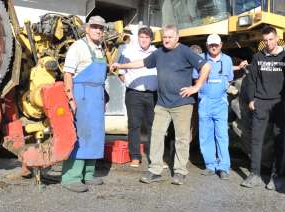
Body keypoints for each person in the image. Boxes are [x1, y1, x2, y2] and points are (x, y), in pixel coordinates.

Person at [112, 25, 211, 185]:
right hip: (163, 103)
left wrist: (196, 86)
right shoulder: (159, 53)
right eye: (164, 37)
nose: (166, 39)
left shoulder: (185, 51)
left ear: (177, 38)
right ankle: (155, 170)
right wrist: (121, 66)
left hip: (182, 104)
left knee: (182, 139)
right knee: (156, 136)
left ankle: (180, 172)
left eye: (170, 37)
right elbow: (141, 63)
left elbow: (206, 66)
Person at [242, 26, 285, 189]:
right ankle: (255, 174)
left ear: (277, 38)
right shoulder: (258, 57)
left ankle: (276, 177)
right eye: (265, 40)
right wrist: (251, 99)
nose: (268, 43)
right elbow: (252, 80)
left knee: (279, 139)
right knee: (256, 139)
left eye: (271, 39)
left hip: (279, 104)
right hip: (261, 103)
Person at [60, 16, 109, 193]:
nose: (98, 30)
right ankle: (71, 177)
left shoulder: (100, 48)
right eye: (94, 27)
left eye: (101, 28)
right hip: (82, 95)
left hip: (97, 96)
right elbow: (68, 75)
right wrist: (71, 99)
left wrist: (103, 98)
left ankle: (87, 174)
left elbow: (101, 78)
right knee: (80, 137)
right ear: (87, 29)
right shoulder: (77, 47)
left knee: (95, 135)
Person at [117, 26, 158, 167]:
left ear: (151, 39)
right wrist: (128, 83)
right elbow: (120, 71)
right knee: (134, 125)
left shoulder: (157, 52)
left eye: (147, 37)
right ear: (138, 38)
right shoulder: (129, 51)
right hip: (134, 93)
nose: (144, 40)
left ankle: (155, 158)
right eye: (141, 37)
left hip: (153, 94)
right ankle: (135, 156)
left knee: (154, 126)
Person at [195, 34, 235, 180]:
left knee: (222, 135)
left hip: (220, 103)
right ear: (207, 45)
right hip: (205, 102)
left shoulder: (227, 60)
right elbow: (195, 78)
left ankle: (223, 167)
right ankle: (210, 165)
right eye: (211, 45)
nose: (213, 47)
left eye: (216, 45)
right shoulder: (200, 59)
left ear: (221, 45)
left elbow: (229, 79)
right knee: (205, 135)